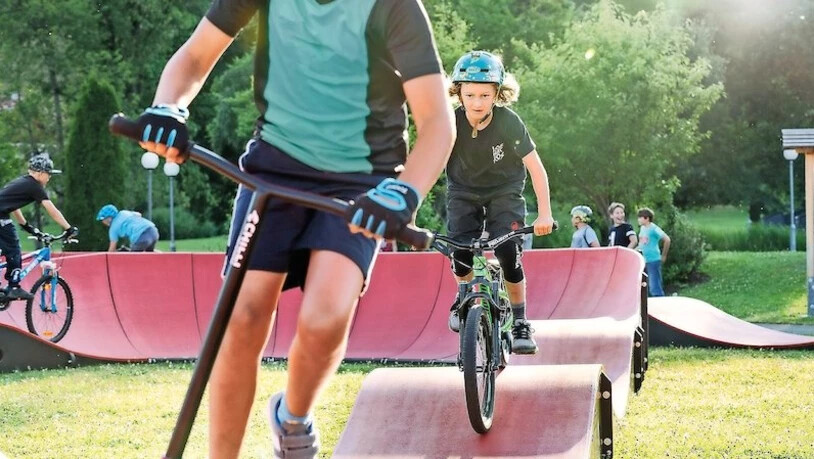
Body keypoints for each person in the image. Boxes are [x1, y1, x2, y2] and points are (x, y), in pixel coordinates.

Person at [131, 1, 454, 458]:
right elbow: (195, 57)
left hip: (361, 183)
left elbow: (438, 123)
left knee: (324, 318)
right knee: (241, 317)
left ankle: (293, 418)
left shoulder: (394, 6)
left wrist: (405, 193)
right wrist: (167, 109)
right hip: (274, 170)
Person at [444, 50, 555, 355]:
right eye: (469, 94)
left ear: (497, 93)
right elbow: (427, 164)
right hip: (462, 191)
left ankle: (520, 321)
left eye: (484, 95)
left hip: (504, 191)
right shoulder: (449, 123)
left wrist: (544, 213)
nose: (476, 102)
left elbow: (535, 167)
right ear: (458, 93)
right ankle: (463, 294)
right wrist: (409, 214)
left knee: (507, 251)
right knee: (460, 251)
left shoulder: (508, 122)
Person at [0, 154, 78, 300]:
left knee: (6, 248)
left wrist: (26, 226)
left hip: (2, 215)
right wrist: (68, 228)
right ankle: (14, 287)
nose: (49, 178)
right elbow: (52, 210)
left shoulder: (21, 182)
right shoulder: (35, 186)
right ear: (40, 173)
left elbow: (13, 206)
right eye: (48, 174)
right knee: (14, 248)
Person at [637, 207, 670, 297]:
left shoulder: (654, 228)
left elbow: (667, 239)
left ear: (646, 218)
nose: (638, 219)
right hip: (644, 260)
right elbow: (642, 243)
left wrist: (664, 256)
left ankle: (661, 304)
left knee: (655, 286)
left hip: (653, 260)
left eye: (640, 217)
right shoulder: (642, 229)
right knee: (644, 285)